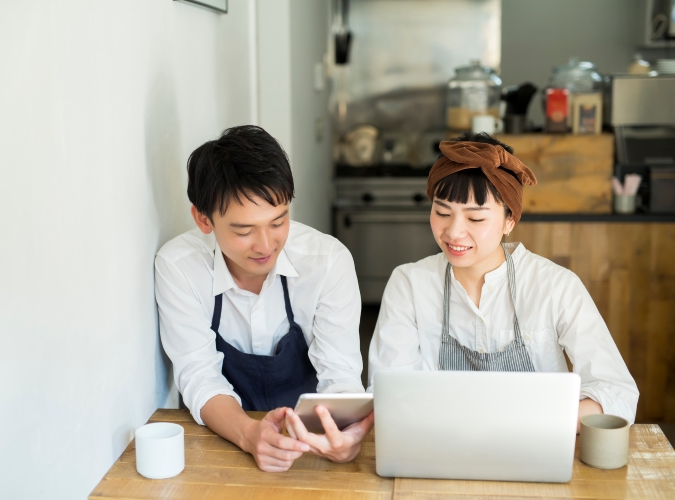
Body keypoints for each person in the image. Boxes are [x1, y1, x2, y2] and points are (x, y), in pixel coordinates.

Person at [367, 132, 639, 430]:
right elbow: (388, 393)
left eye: (476, 219)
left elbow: (617, 393)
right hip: (439, 448)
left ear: (510, 221)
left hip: (537, 446)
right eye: (442, 212)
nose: (454, 232)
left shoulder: (554, 286)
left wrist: (526, 422)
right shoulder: (410, 284)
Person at [155, 125, 374, 472]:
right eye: (243, 231)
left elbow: (341, 373)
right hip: (222, 441)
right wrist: (247, 434)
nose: (266, 244)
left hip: (311, 443)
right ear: (203, 218)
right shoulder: (179, 267)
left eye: (278, 221)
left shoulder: (328, 261)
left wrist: (344, 436)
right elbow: (198, 374)